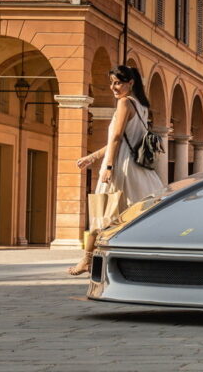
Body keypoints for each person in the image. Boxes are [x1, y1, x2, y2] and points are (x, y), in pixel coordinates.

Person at [67, 66, 164, 275]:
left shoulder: (124, 103)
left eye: (118, 82)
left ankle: (87, 260)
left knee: (101, 212)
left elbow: (117, 138)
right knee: (132, 215)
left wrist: (108, 166)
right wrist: (91, 157)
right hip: (138, 169)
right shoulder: (142, 106)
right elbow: (118, 140)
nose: (113, 87)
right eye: (111, 82)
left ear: (130, 83)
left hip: (120, 166)